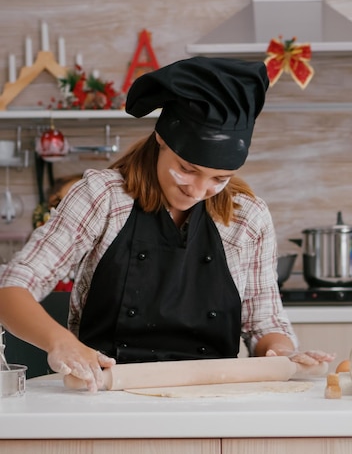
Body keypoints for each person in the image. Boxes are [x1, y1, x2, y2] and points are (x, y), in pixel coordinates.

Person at [0, 57, 334, 391]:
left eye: (219, 177)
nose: (199, 189)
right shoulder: (103, 197)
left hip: (216, 398)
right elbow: (11, 289)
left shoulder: (246, 216)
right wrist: (60, 341)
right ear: (162, 139)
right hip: (104, 394)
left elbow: (266, 323)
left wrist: (280, 352)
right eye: (187, 169)